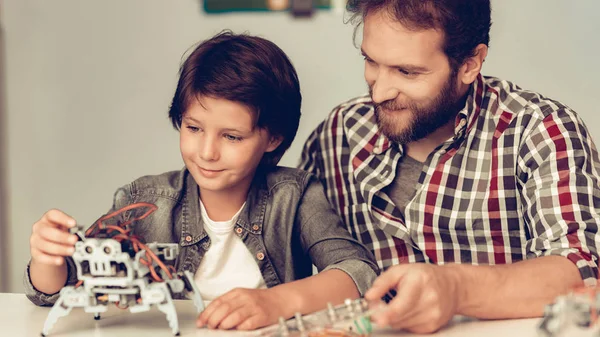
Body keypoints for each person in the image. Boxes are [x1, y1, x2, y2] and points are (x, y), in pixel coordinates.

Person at [24, 30, 379, 330]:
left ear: (273, 139)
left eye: (232, 137)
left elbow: (358, 271)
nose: (207, 152)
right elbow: (57, 290)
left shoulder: (296, 196)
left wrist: (277, 301)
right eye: (193, 128)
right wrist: (49, 258)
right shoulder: (145, 200)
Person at [299, 0, 600, 333]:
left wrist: (456, 289)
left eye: (407, 71)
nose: (380, 92)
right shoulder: (338, 132)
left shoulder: (540, 130)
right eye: (370, 61)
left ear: (470, 64)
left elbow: (581, 271)